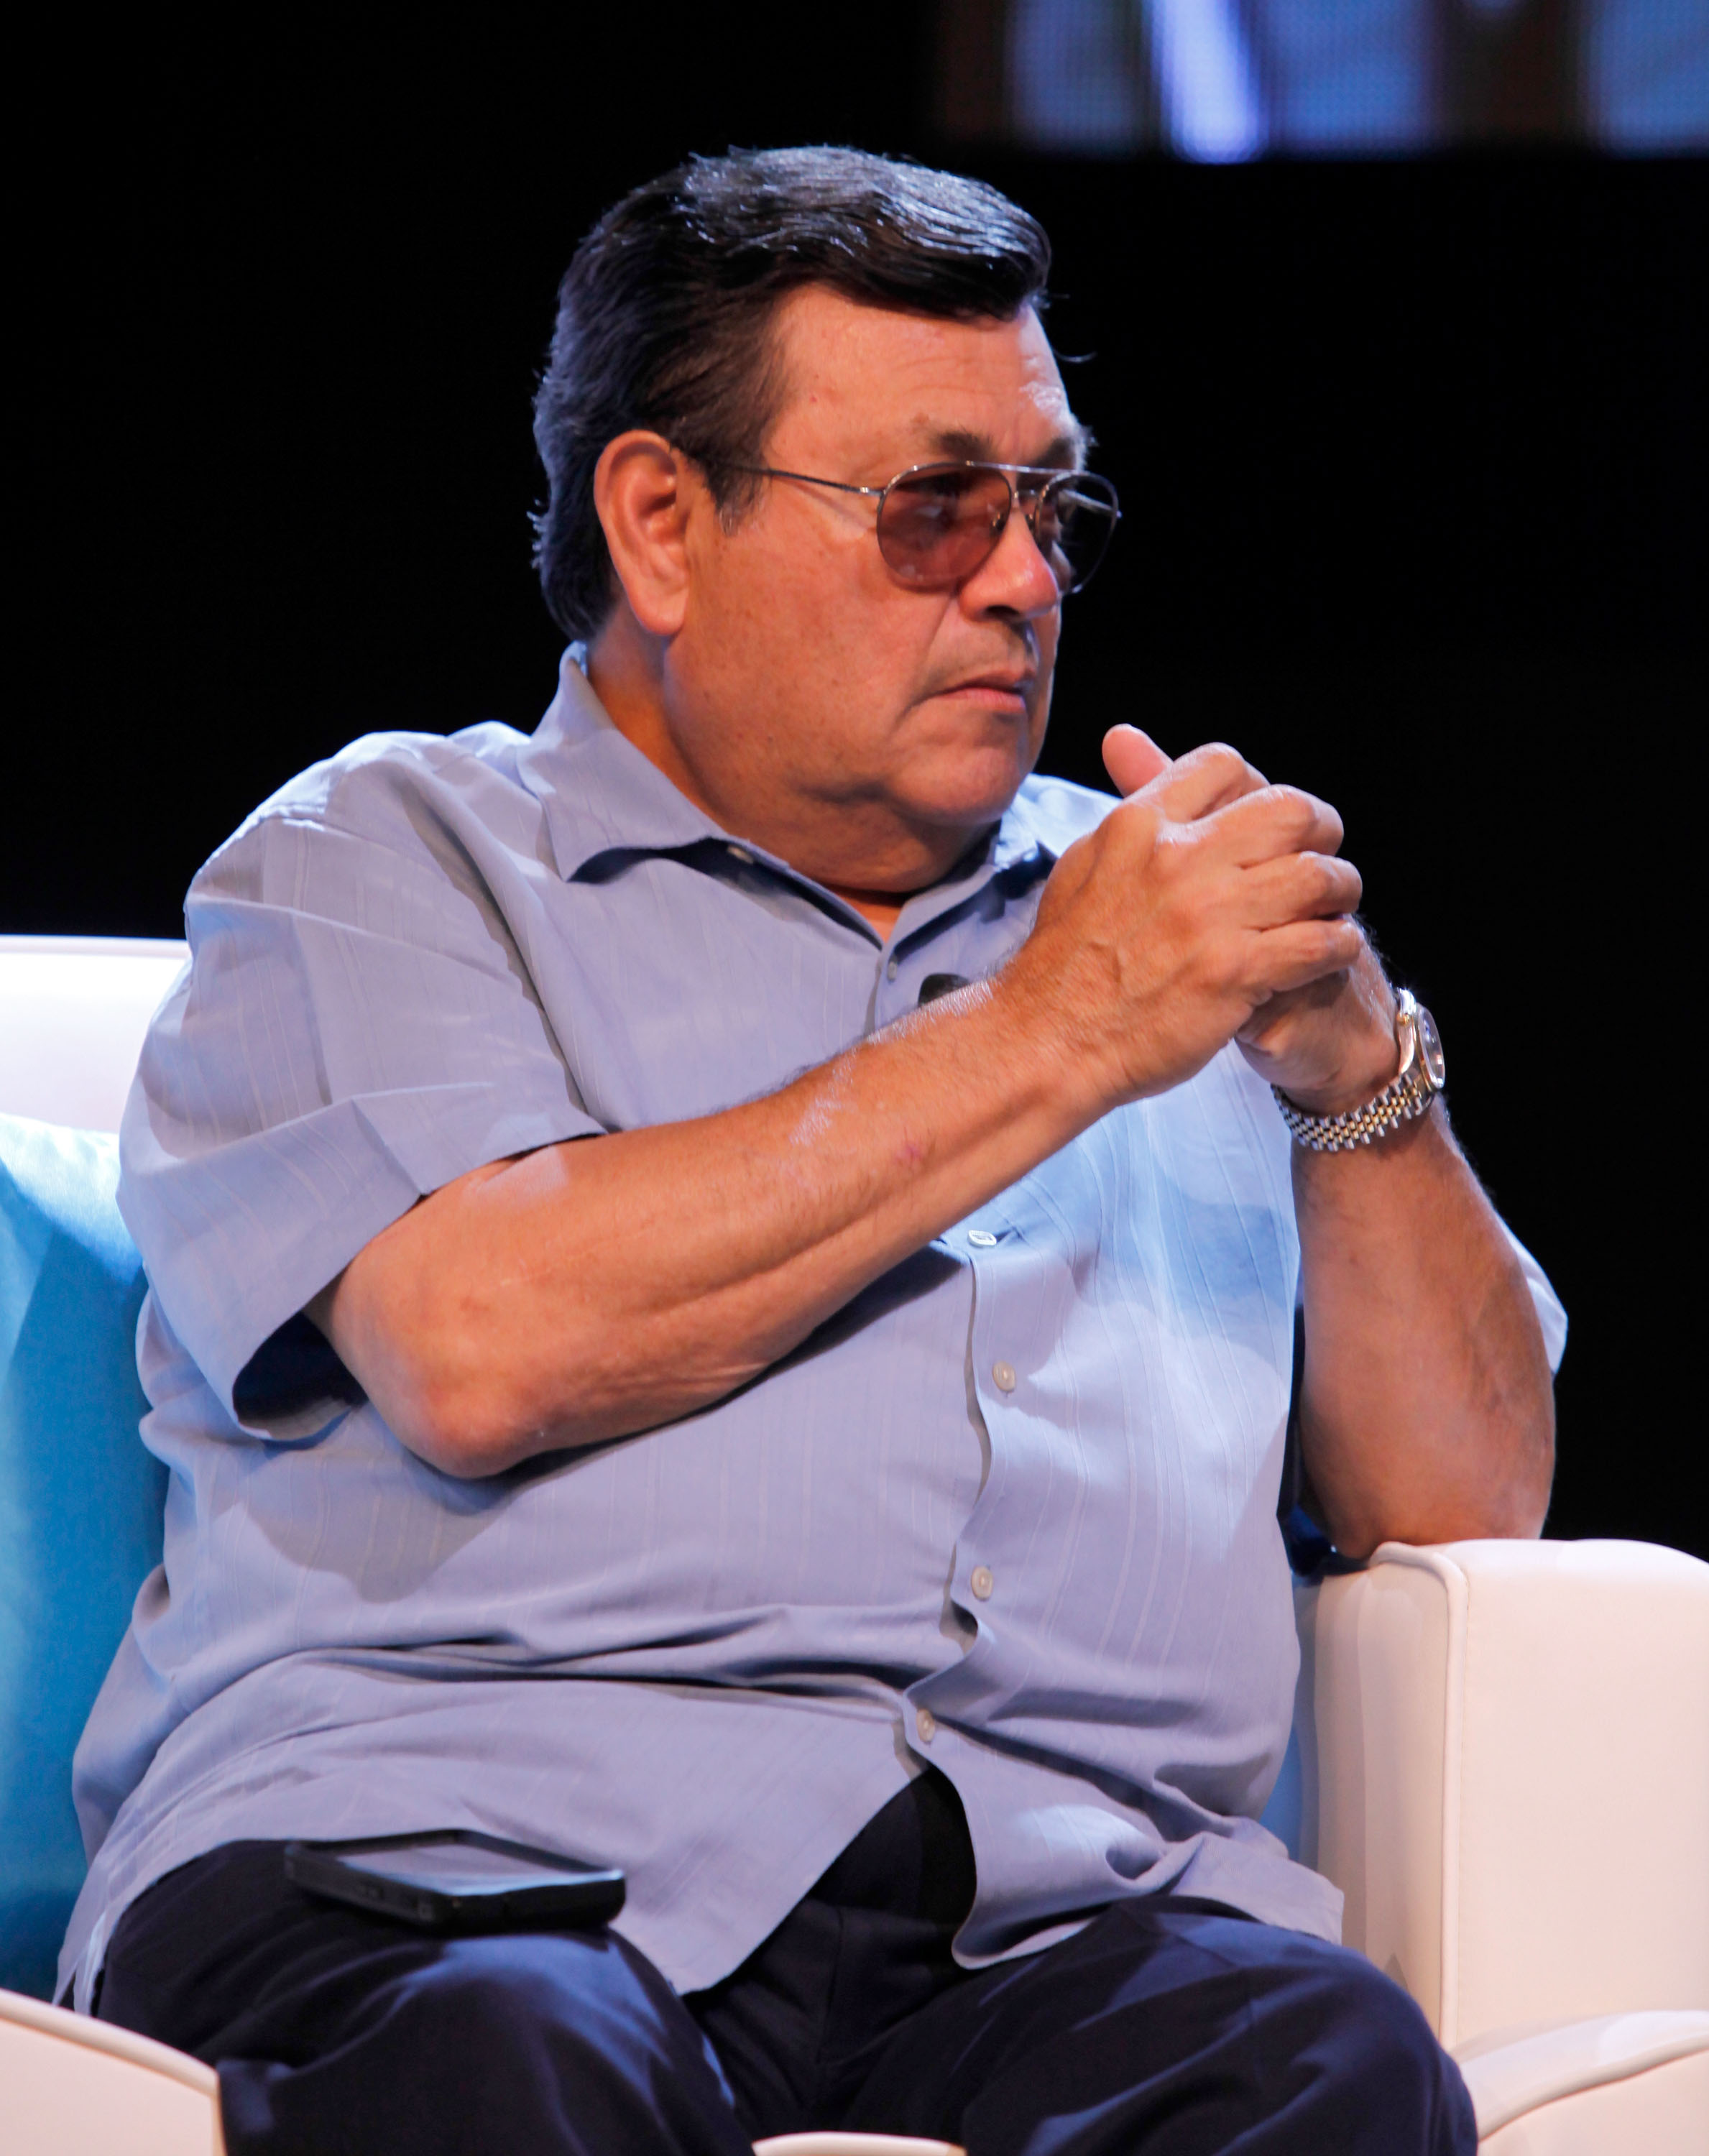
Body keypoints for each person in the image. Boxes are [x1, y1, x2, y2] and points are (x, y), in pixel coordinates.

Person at [65, 147, 1562, 2155]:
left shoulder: (1156, 925)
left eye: (1053, 511)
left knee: (1329, 2063)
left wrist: (1355, 1075)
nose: (1023, 582)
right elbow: (485, 1341)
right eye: (938, 510)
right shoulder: (385, 862)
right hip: (447, 1864)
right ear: (661, 524)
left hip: (1052, 1909)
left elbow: (1463, 1504)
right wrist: (1060, 1033)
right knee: (510, 2056)